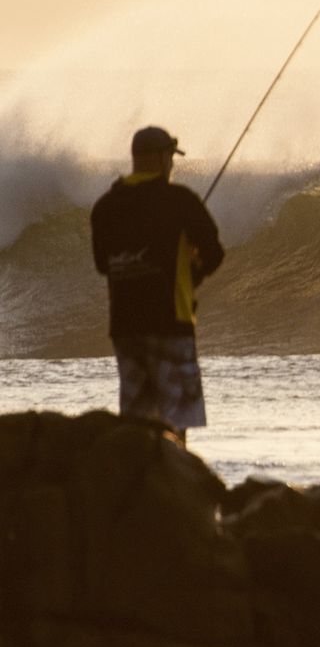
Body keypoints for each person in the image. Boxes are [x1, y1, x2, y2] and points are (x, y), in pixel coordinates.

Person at [90, 126, 224, 443]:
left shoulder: (105, 206)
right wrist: (193, 275)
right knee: (175, 426)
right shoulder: (179, 201)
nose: (172, 166)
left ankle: (136, 488)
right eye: (170, 158)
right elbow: (215, 253)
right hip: (170, 323)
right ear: (163, 158)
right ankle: (175, 486)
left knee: (135, 427)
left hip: (125, 328)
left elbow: (102, 265)